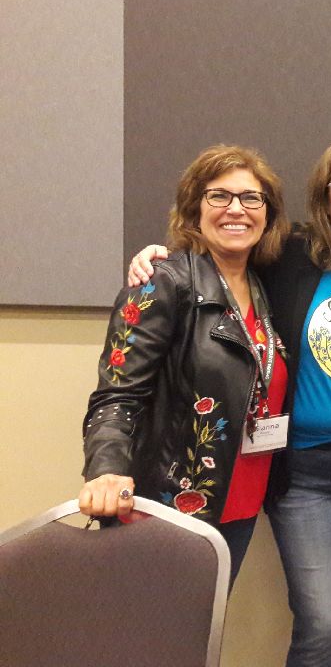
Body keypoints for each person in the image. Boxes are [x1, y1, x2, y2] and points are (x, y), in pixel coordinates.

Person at [128, 138, 331, 667]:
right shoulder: (291, 261)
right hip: (306, 473)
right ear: (324, 199)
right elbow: (221, 253)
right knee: (322, 619)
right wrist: (158, 256)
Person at [81, 144, 291, 588]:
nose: (237, 209)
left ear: (267, 215)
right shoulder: (161, 280)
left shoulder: (264, 285)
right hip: (167, 505)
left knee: (201, 637)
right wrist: (105, 471)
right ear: (195, 208)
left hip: (241, 504)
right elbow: (117, 394)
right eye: (219, 196)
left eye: (251, 198)